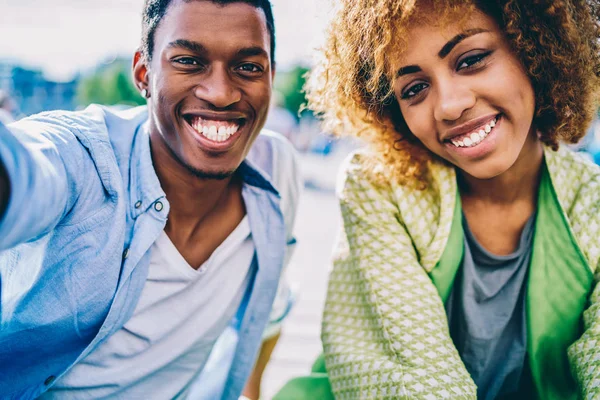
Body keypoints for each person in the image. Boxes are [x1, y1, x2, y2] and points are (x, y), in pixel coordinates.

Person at [276, 0, 600, 399]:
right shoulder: (380, 188)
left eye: (471, 60)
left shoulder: (593, 204)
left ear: (533, 48)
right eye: (414, 89)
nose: (449, 105)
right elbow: (413, 376)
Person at [0, 0, 302, 399]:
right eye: (189, 61)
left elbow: (271, 308)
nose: (221, 94)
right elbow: (28, 169)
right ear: (144, 74)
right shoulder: (85, 161)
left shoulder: (275, 170)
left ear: (270, 78)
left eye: (247, 67)